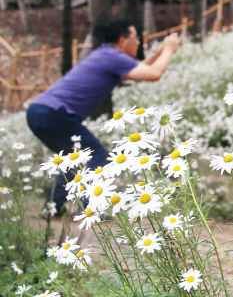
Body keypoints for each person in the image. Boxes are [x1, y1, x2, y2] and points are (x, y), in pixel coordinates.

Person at [26, 20, 180, 217]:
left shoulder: (107, 55)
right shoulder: (113, 57)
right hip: (55, 113)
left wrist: (160, 53)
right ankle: (90, 208)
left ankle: (53, 207)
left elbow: (140, 68)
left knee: (74, 160)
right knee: (94, 155)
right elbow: (154, 74)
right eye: (135, 38)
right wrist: (169, 50)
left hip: (41, 111)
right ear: (123, 40)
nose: (138, 42)